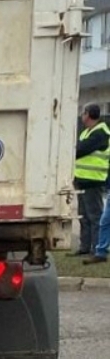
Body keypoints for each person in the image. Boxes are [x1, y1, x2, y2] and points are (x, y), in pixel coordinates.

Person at [74, 103, 110, 256]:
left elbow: (80, 150)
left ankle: (97, 248)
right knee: (83, 216)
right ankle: (85, 247)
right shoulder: (86, 132)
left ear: (88, 114)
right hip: (82, 180)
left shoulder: (100, 133)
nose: (82, 116)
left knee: (94, 216)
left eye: (83, 113)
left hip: (93, 181)